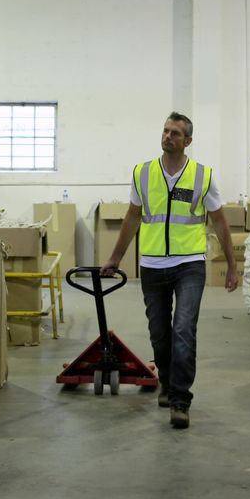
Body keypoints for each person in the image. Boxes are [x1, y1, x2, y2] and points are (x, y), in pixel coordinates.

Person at [100, 111, 239, 429]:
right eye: (165, 131)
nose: (168, 137)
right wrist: (116, 257)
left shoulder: (202, 176)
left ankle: (180, 399)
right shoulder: (143, 173)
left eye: (176, 133)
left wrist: (231, 265)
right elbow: (132, 217)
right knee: (160, 334)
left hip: (190, 264)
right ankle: (165, 378)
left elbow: (218, 221)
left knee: (183, 331)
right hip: (151, 264)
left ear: (188, 141)